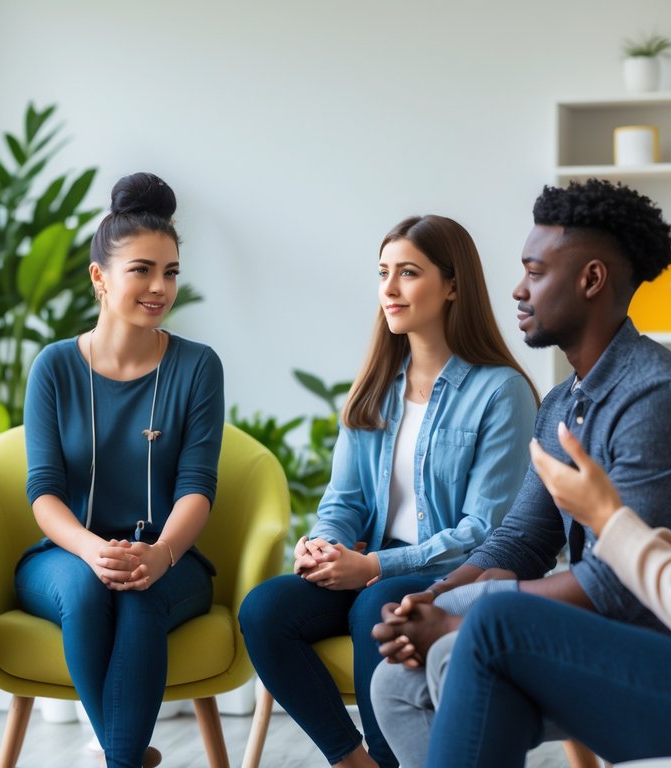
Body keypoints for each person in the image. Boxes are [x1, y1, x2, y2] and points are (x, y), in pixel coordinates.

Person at [424, 86, 671, 768]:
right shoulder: (566, 402)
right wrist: (436, 596)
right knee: (460, 638)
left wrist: (608, 519)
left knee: (489, 626)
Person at [368, 179, 671, 767]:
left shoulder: (659, 400)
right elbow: (525, 537)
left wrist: (462, 613)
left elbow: (618, 584)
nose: (518, 289)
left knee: (453, 655)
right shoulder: (563, 402)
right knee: (395, 684)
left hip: (666, 646)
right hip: (600, 635)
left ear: (590, 280)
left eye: (535, 272)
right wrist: (432, 596)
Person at [237, 215, 538, 767]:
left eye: (408, 273)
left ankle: (394, 757)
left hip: (452, 575)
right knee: (264, 609)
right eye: (383, 273)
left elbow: (485, 531)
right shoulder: (376, 387)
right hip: (369, 565)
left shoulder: (502, 392)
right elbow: (344, 501)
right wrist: (324, 544)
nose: (390, 290)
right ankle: (355, 762)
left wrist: (374, 567)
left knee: (377, 604)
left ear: (452, 285)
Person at [18, 172, 224, 768]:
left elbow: (197, 487)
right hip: (65, 556)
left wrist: (159, 554)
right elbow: (43, 491)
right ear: (99, 277)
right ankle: (128, 757)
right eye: (142, 270)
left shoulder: (197, 367)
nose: (160, 287)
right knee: (88, 589)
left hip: (170, 558)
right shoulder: (54, 367)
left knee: (141, 595)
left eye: (171, 272)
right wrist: (89, 549)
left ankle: (118, 759)